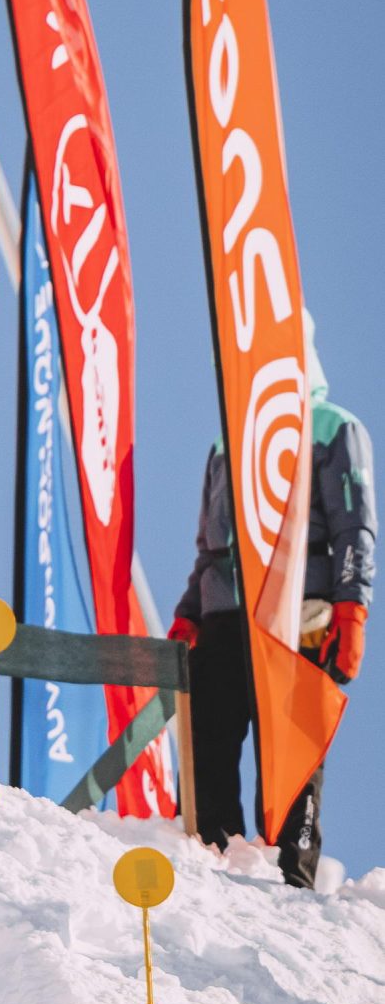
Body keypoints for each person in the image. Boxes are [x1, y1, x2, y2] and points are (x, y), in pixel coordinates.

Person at [169, 324, 374, 887]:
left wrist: (351, 608)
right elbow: (212, 551)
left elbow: (355, 529)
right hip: (222, 620)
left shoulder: (332, 428)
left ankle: (291, 880)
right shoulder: (224, 444)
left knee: (290, 760)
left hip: (296, 616)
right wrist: (189, 612)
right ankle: (215, 865)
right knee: (205, 750)